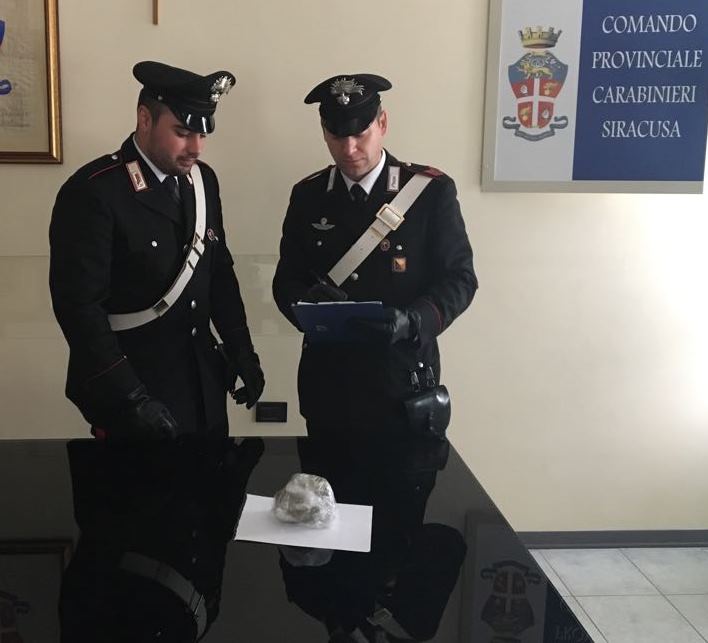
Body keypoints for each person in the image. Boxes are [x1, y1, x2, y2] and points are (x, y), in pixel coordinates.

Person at [49, 61, 264, 440]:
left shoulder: (202, 181)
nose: (196, 148)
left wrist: (242, 351)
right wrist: (130, 396)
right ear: (145, 119)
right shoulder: (95, 192)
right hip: (132, 387)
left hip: (202, 385)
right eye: (182, 133)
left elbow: (218, 272)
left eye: (202, 134)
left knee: (210, 478)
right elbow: (80, 309)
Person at [272, 74, 477, 438]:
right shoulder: (309, 196)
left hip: (403, 384)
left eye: (360, 133)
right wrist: (305, 304)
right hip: (329, 388)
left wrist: (412, 321)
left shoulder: (429, 193)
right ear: (324, 132)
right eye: (337, 136)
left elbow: (460, 279)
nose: (349, 148)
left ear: (382, 123)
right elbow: (286, 280)